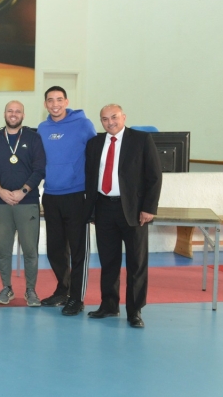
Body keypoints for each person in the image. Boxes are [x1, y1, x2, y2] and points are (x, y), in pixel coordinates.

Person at [85, 105, 162, 328]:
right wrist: (91, 209)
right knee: (108, 261)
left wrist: (149, 208)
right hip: (103, 208)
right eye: (105, 119)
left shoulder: (141, 139)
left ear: (124, 117)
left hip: (134, 210)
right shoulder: (94, 143)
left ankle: (134, 311)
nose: (110, 122)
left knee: (136, 263)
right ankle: (109, 305)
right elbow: (90, 177)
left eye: (114, 117)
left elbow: (154, 176)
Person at [36, 86, 97, 316]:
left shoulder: (83, 124)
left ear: (66, 102)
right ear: (45, 104)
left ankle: (77, 298)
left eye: (59, 99)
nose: (55, 104)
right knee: (55, 249)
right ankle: (63, 290)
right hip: (51, 195)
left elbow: (95, 156)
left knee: (78, 250)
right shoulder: (42, 128)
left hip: (76, 195)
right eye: (50, 100)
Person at [0, 101, 46, 306]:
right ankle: (7, 288)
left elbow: (40, 169)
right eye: (10, 111)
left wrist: (23, 191)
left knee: (30, 249)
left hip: (27, 202)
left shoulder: (33, 138)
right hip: (1, 202)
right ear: (4, 113)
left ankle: (31, 290)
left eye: (17, 111)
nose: (13, 114)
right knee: (3, 248)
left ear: (23, 115)